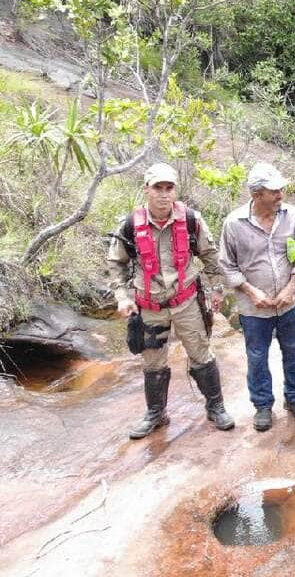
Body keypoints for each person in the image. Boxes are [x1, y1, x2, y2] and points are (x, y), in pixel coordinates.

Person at [108, 162, 234, 439]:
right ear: (146, 189)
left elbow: (210, 257)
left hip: (187, 301)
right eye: (157, 188)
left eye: (169, 188)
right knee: (152, 361)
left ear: (175, 190)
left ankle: (216, 406)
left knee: (201, 353)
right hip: (149, 306)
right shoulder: (130, 225)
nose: (164, 194)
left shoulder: (191, 220)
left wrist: (216, 290)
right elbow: (116, 263)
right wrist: (122, 296)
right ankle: (156, 413)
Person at [219, 162, 295, 431]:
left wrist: (291, 287)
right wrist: (250, 291)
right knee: (257, 356)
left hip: (289, 303)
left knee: (294, 351)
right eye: (274, 191)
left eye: (281, 189)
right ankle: (262, 406)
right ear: (257, 194)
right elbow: (227, 265)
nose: (280, 195)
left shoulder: (292, 216)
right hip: (253, 308)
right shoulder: (234, 224)